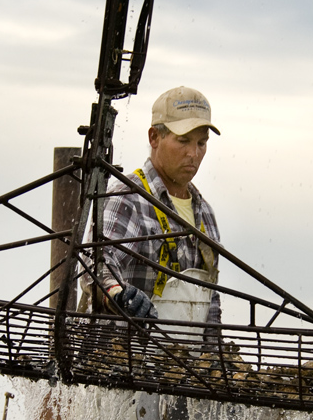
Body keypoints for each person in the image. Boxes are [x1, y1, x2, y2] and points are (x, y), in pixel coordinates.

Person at [85, 85, 221, 322]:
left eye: (201, 143)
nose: (193, 153)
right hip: (123, 344)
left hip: (180, 347)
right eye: (183, 141)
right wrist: (117, 294)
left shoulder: (205, 215)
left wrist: (213, 344)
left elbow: (210, 303)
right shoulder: (129, 198)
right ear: (154, 137)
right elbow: (96, 262)